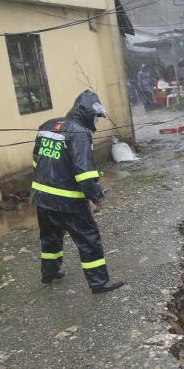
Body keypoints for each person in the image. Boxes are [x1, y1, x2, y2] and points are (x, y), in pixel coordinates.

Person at [30, 90, 125, 294]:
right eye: (95, 117)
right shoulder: (80, 133)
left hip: (42, 198)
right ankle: (99, 282)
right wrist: (96, 197)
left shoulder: (47, 126)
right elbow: (85, 172)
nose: (96, 121)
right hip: (69, 201)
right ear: (86, 113)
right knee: (89, 238)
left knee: (50, 236)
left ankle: (50, 272)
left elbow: (36, 160)